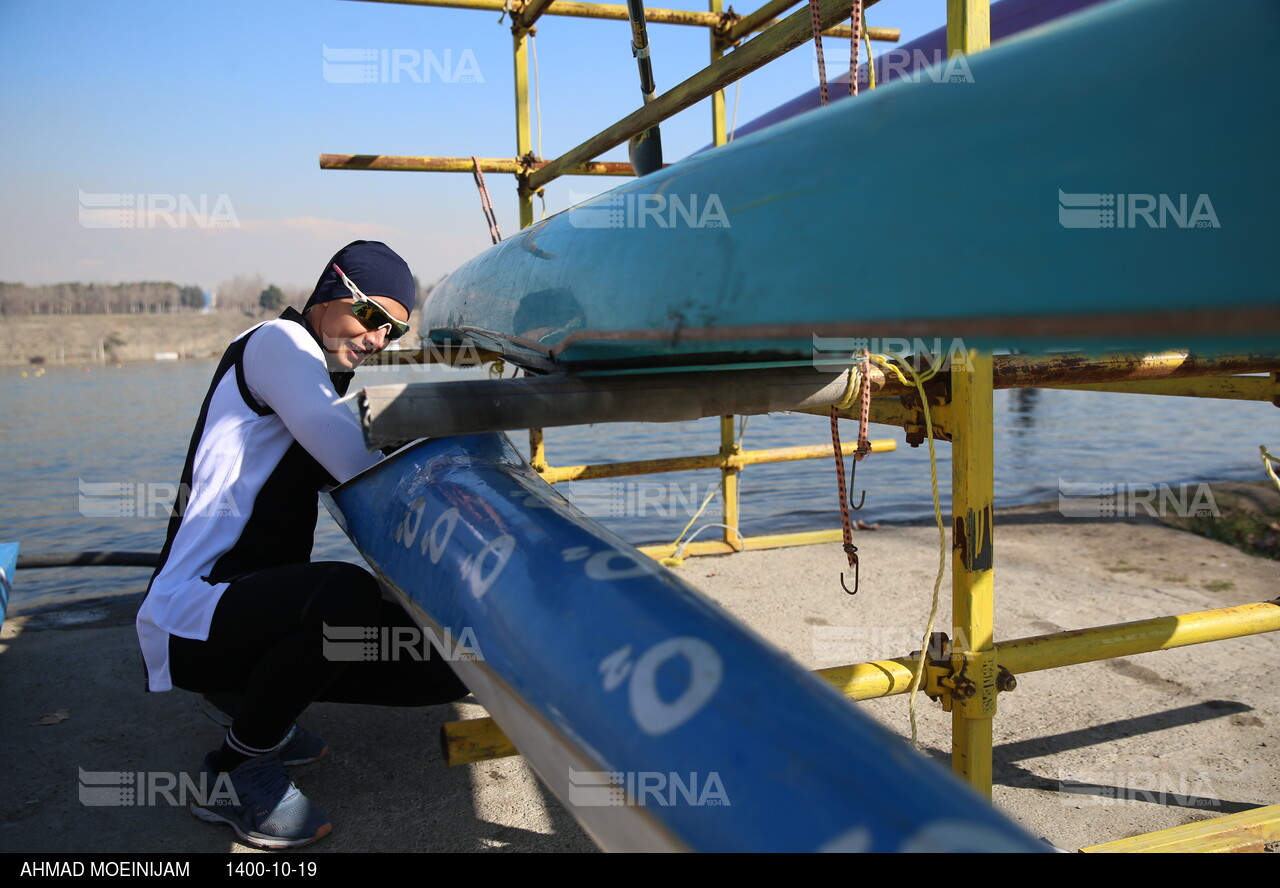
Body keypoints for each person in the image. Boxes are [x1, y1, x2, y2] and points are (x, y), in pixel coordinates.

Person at [136, 241, 468, 849]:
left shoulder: (325, 378)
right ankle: (237, 766)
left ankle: (253, 704)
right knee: (344, 594)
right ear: (331, 289)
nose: (378, 338)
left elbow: (368, 456)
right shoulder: (276, 345)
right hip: (192, 611)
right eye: (371, 316)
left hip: (247, 612)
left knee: (446, 670)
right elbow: (352, 459)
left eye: (393, 332)